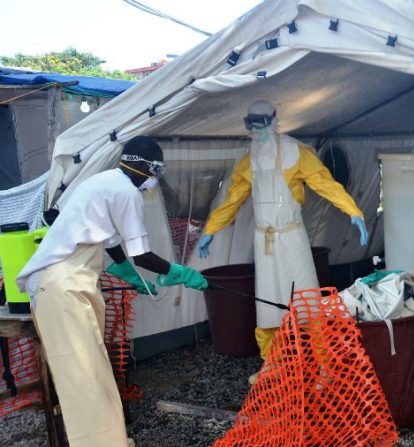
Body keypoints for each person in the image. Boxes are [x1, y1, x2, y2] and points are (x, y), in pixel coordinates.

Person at [15, 135, 208, 447]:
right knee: (84, 380)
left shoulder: (103, 181)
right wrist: (178, 272)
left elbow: (112, 241)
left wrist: (125, 272)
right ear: (146, 167)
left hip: (66, 284)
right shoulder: (127, 191)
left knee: (95, 374)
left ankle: (111, 440)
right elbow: (141, 253)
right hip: (61, 287)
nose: (154, 182)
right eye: (156, 172)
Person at [197, 100, 368, 381]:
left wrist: (353, 212)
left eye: (261, 122)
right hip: (264, 242)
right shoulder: (248, 160)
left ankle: (325, 363)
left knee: (307, 298)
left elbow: (325, 183)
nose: (256, 128)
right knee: (266, 302)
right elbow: (234, 198)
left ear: (274, 121)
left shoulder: (296, 153)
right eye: (251, 123)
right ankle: (272, 362)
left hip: (291, 239)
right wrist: (210, 230)